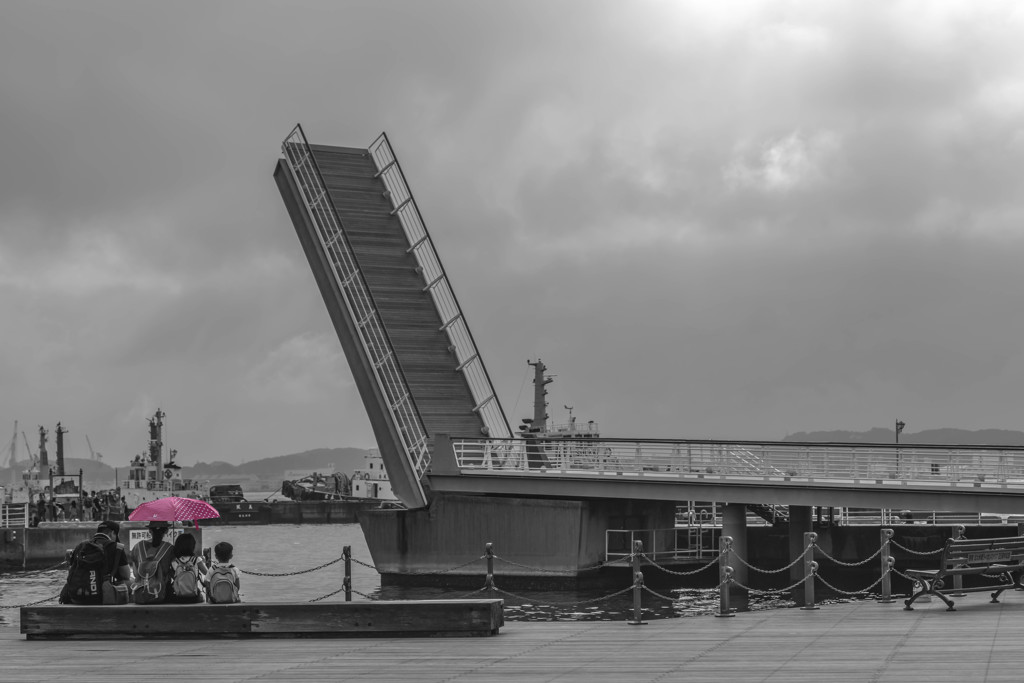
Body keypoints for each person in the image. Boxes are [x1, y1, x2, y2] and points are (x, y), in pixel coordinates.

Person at [59, 520, 131, 604]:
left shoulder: (81, 545)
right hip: (102, 596)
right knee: (131, 582)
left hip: (77, 596)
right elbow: (126, 575)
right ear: (112, 533)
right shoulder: (117, 547)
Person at [130, 520, 175, 604]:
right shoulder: (170, 549)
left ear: (149, 530)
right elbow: (173, 574)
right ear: (166, 531)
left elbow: (136, 573)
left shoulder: (137, 547)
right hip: (162, 594)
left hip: (140, 594)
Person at [169, 533, 208, 603]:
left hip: (178, 597)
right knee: (202, 598)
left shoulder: (174, 561)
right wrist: (204, 563)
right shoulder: (196, 560)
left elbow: (173, 577)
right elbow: (207, 574)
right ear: (192, 546)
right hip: (194, 597)